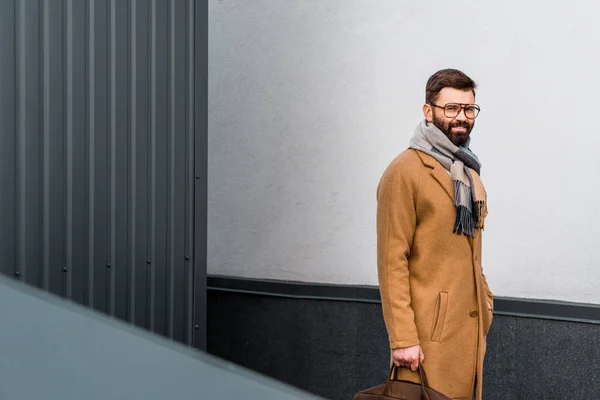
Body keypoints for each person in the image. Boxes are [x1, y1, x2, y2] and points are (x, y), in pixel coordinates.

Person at [376, 68, 494, 400]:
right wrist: (402, 339)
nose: (462, 117)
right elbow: (391, 261)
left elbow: (472, 249)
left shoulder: (468, 172)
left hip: (468, 331)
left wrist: (484, 300)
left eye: (469, 108)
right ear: (429, 112)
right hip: (427, 338)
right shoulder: (405, 172)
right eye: (451, 108)